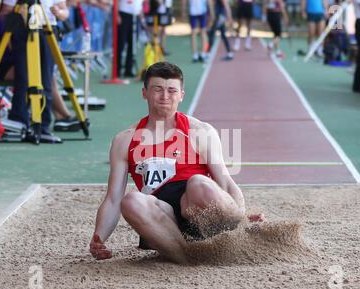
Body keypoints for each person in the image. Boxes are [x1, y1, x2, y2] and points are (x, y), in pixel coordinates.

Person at [89, 62, 262, 263]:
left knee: (199, 183)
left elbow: (225, 180)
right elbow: (112, 199)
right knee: (131, 201)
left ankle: (238, 234)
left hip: (199, 210)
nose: (164, 96)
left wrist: (240, 216)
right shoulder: (125, 140)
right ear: (145, 93)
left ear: (181, 95)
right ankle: (187, 256)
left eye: (171, 90)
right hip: (162, 220)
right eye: (158, 89)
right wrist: (99, 238)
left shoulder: (200, 131)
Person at [1, 0, 69, 143]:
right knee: (23, 78)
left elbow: (65, 12)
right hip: (21, 30)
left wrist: (59, 12)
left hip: (47, 30)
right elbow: (5, 11)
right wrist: (15, 15)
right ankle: (18, 122)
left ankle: (43, 125)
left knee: (46, 80)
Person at [116, 0, 144, 78]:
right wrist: (117, 15)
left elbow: (139, 5)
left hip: (135, 17)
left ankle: (128, 70)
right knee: (120, 44)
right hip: (124, 16)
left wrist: (142, 20)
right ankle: (117, 70)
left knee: (133, 44)